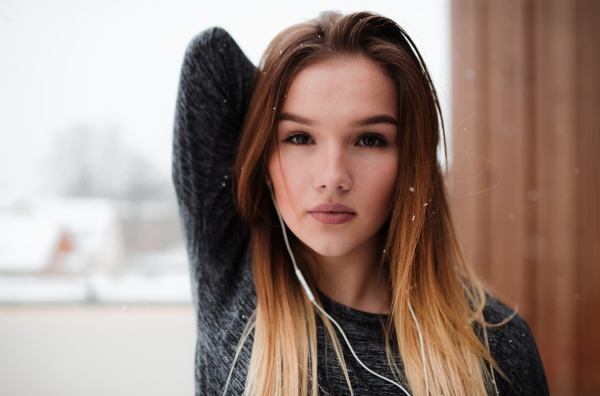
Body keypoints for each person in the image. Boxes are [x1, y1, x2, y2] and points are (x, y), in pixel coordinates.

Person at [172, 10, 549, 396]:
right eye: (300, 138)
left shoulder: (497, 347)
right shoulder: (231, 272)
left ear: (410, 163)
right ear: (264, 156)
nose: (332, 176)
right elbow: (210, 58)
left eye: (369, 139)